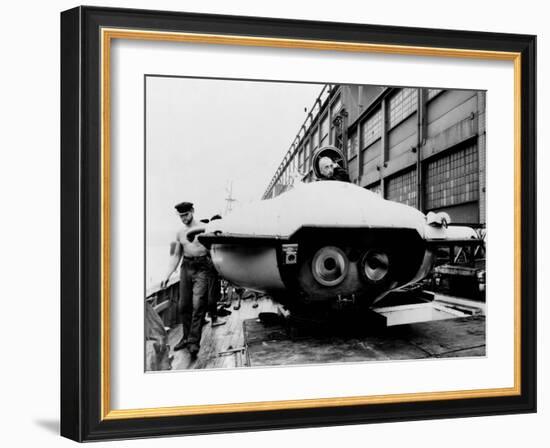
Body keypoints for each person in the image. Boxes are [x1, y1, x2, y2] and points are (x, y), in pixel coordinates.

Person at [160, 201, 211, 358]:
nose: (184, 218)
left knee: (198, 304)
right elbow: (175, 256)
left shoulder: (205, 228)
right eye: (181, 216)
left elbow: (214, 249)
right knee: (183, 306)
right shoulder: (179, 233)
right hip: (186, 267)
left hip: (202, 267)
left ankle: (194, 342)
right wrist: (166, 275)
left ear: (192, 211)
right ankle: (186, 337)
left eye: (186, 215)